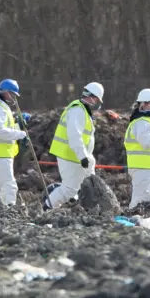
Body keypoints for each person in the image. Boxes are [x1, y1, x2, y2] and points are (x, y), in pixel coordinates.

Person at [44, 82, 104, 210]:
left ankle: (90, 211)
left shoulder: (83, 111)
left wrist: (86, 157)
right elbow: (74, 135)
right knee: (69, 189)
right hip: (70, 156)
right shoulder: (77, 110)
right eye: (98, 100)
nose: (98, 103)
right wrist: (82, 156)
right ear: (92, 98)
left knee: (90, 185)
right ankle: (48, 207)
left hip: (79, 157)